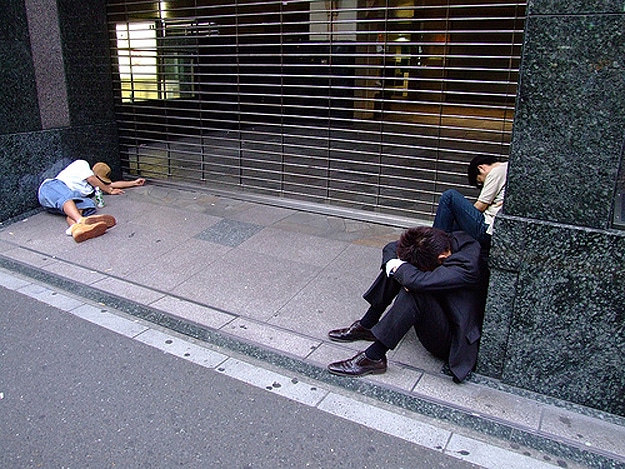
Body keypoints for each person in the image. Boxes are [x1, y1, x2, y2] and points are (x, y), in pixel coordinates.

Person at [327, 226, 488, 383]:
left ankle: (374, 357)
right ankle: (367, 325)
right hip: (441, 304)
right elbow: (392, 247)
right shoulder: (441, 242)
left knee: (413, 289)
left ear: (442, 258)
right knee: (399, 266)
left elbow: (416, 282)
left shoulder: (467, 265)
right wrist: (395, 266)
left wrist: (403, 272)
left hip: (451, 337)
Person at [38, 160, 145, 242]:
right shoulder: (82, 164)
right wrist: (109, 190)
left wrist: (133, 183)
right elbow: (92, 179)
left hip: (60, 204)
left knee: (85, 204)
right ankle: (81, 220)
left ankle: (76, 229)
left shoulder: (90, 188)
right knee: (68, 197)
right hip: (51, 188)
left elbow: (111, 185)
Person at [433, 156, 508, 249]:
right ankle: (437, 243)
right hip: (496, 229)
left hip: (486, 229)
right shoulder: (509, 168)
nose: (484, 184)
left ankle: (435, 245)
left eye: (481, 181)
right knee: (452, 221)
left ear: (481, 168)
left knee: (449, 196)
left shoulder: (496, 172)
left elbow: (480, 206)